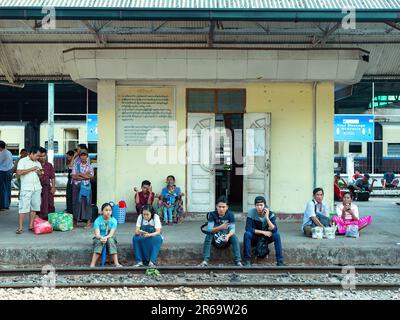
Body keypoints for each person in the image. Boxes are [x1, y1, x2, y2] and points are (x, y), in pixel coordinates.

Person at [199, 196, 242, 267]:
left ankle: (238, 261)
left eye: (223, 207)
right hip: (215, 239)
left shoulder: (230, 215)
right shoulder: (212, 214)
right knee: (208, 235)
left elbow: (232, 229)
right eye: (219, 207)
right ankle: (205, 260)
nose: (221, 209)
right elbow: (209, 229)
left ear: (227, 207)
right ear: (216, 207)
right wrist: (220, 227)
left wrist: (228, 236)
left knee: (234, 237)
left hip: (225, 239)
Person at [243, 196, 284, 266]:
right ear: (255, 206)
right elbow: (248, 228)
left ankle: (280, 261)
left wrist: (267, 218)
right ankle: (247, 261)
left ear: (264, 205)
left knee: (277, 235)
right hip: (256, 236)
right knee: (247, 234)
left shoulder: (270, 214)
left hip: (266, 238)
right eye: (257, 205)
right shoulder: (251, 213)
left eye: (261, 205)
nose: (259, 207)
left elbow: (274, 229)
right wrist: (263, 232)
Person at [15, 146, 43, 234]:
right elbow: (18, 172)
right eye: (37, 156)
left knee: (34, 207)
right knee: (23, 208)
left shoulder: (38, 163)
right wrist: (31, 169)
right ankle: (20, 228)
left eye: (39, 156)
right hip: (26, 188)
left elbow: (40, 174)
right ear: (31, 153)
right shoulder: (22, 161)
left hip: (37, 188)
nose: (38, 158)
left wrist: (40, 173)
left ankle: (31, 226)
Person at [90, 202, 122, 267]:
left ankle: (116, 263)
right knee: (99, 242)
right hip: (99, 237)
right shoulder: (98, 220)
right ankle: (92, 264)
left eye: (110, 210)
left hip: (110, 237)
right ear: (102, 211)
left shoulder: (114, 221)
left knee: (111, 241)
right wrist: (101, 238)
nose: (108, 212)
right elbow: (97, 234)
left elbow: (111, 234)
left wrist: (106, 238)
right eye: (106, 210)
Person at [71, 150, 94, 228]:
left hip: (86, 186)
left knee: (87, 203)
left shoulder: (90, 166)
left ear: (87, 156)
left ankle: (88, 222)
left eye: (85, 155)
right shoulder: (76, 165)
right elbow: (73, 176)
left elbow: (91, 176)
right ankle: (75, 222)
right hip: (77, 186)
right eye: (81, 155)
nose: (83, 157)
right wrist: (85, 175)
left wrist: (80, 174)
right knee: (76, 203)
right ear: (79, 157)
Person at [38, 147, 55, 220]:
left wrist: (53, 187)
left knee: (50, 203)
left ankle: (50, 218)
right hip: (38, 187)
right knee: (39, 204)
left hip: (47, 187)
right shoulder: (36, 164)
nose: (43, 158)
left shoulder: (49, 165)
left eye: (44, 156)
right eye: (41, 156)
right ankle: (40, 219)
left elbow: (53, 177)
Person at [0, 140, 14, 211]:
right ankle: (7, 204)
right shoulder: (9, 152)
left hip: (2, 172)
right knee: (8, 188)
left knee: (2, 189)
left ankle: (2, 205)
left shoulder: (2, 153)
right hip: (9, 172)